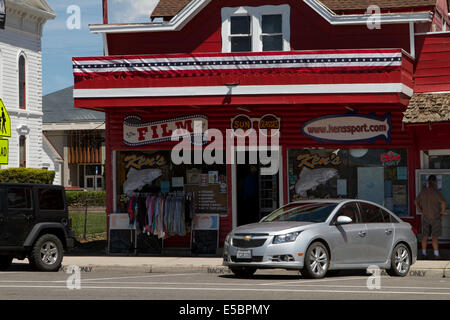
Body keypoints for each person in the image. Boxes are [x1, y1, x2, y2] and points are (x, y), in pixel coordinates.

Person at [415, 175, 446, 260]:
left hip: (425, 217)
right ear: (435, 182)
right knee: (434, 237)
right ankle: (436, 254)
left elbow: (415, 202)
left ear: (428, 182)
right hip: (435, 217)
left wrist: (420, 210)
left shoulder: (423, 192)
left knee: (425, 236)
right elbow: (443, 202)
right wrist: (442, 212)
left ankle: (424, 253)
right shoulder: (436, 192)